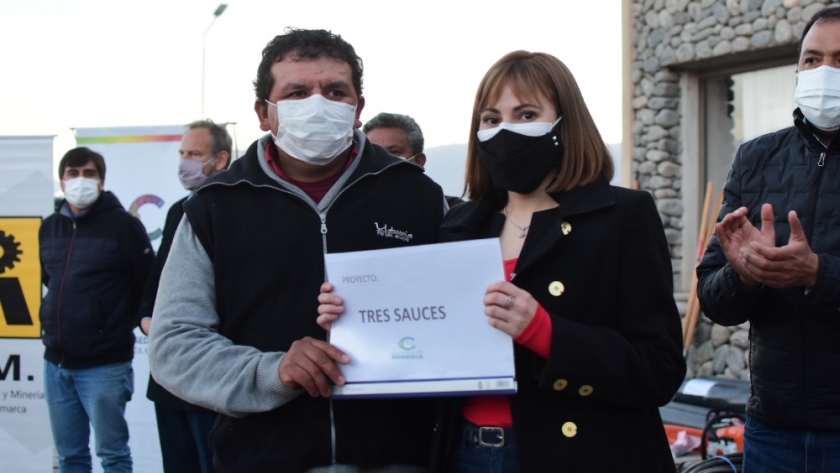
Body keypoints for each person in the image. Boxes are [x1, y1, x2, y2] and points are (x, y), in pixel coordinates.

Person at [318, 51, 686, 472]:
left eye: (526, 114)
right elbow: (428, 340)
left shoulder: (622, 216)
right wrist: (357, 321)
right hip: (465, 452)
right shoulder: (459, 225)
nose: (505, 131)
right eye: (492, 120)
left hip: (581, 454)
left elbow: (659, 368)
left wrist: (546, 333)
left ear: (566, 124)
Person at [147, 28, 446, 473]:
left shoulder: (417, 196)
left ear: (358, 108)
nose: (318, 104)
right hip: (260, 458)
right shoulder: (214, 207)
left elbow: (456, 316)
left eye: (335, 91)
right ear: (264, 113)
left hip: (398, 460)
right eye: (297, 92)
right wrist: (273, 372)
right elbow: (173, 345)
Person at [696, 7, 840, 471]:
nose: (824, 73)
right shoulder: (756, 157)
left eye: (839, 60)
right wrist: (746, 274)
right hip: (772, 428)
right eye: (812, 59)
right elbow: (714, 299)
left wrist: (819, 274)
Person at [39, 147, 154, 473]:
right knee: (70, 457)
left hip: (104, 365)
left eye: (88, 174)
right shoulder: (49, 227)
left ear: (102, 181)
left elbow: (147, 285)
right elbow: (51, 280)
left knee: (113, 455)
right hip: (56, 365)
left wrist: (111, 325)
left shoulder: (124, 227)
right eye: (73, 174)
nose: (80, 180)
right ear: (62, 179)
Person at [138, 119, 231, 473]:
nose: (185, 162)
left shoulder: (238, 209)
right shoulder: (179, 209)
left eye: (194, 154)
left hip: (212, 374)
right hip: (167, 378)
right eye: (182, 153)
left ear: (220, 159)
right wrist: (146, 316)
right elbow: (158, 277)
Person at [363, 112, 464, 207]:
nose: (382, 158)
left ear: (418, 161)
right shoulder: (350, 205)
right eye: (374, 151)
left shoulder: (449, 212)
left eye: (394, 152)